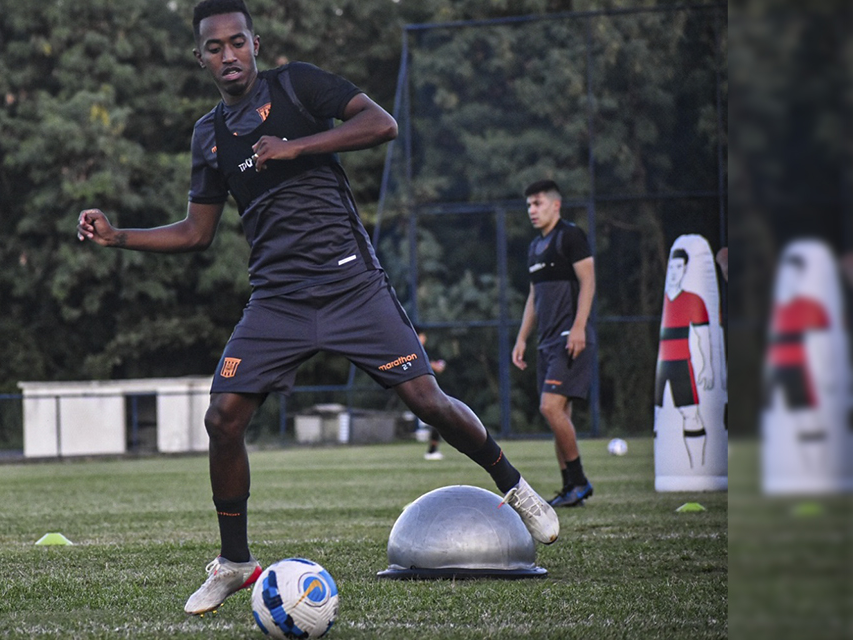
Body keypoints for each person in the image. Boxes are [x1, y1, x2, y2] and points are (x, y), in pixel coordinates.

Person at [77, 0, 559, 615]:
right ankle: (234, 563)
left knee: (426, 401)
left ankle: (515, 488)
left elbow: (380, 124)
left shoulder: (298, 86)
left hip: (350, 286)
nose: (228, 55)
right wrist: (120, 237)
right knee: (222, 417)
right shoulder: (209, 135)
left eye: (237, 42)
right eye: (214, 47)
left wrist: (298, 146)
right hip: (276, 299)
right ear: (199, 57)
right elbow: (198, 232)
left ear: (255, 43)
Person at [512, 180, 596, 507]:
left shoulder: (570, 236)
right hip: (546, 342)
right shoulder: (535, 247)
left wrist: (578, 327)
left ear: (555, 205)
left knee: (549, 407)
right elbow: (534, 297)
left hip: (569, 338)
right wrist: (521, 338)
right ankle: (569, 489)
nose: (532, 210)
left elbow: (588, 282)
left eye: (537, 203)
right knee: (558, 413)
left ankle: (580, 480)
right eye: (529, 205)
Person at [656, 249, 716, 467]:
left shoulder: (694, 300)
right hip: (662, 367)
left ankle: (697, 468)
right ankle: (669, 468)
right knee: (659, 418)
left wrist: (708, 366)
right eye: (671, 267)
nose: (674, 272)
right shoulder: (660, 301)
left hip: (682, 364)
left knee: (691, 414)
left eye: (679, 267)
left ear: (686, 269)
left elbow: (703, 336)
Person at [414, 331, 448, 460]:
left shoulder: (426, 351)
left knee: (438, 419)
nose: (424, 338)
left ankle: (432, 450)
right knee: (437, 418)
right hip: (420, 392)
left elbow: (440, 366)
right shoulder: (413, 352)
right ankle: (432, 451)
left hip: (428, 392)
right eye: (421, 336)